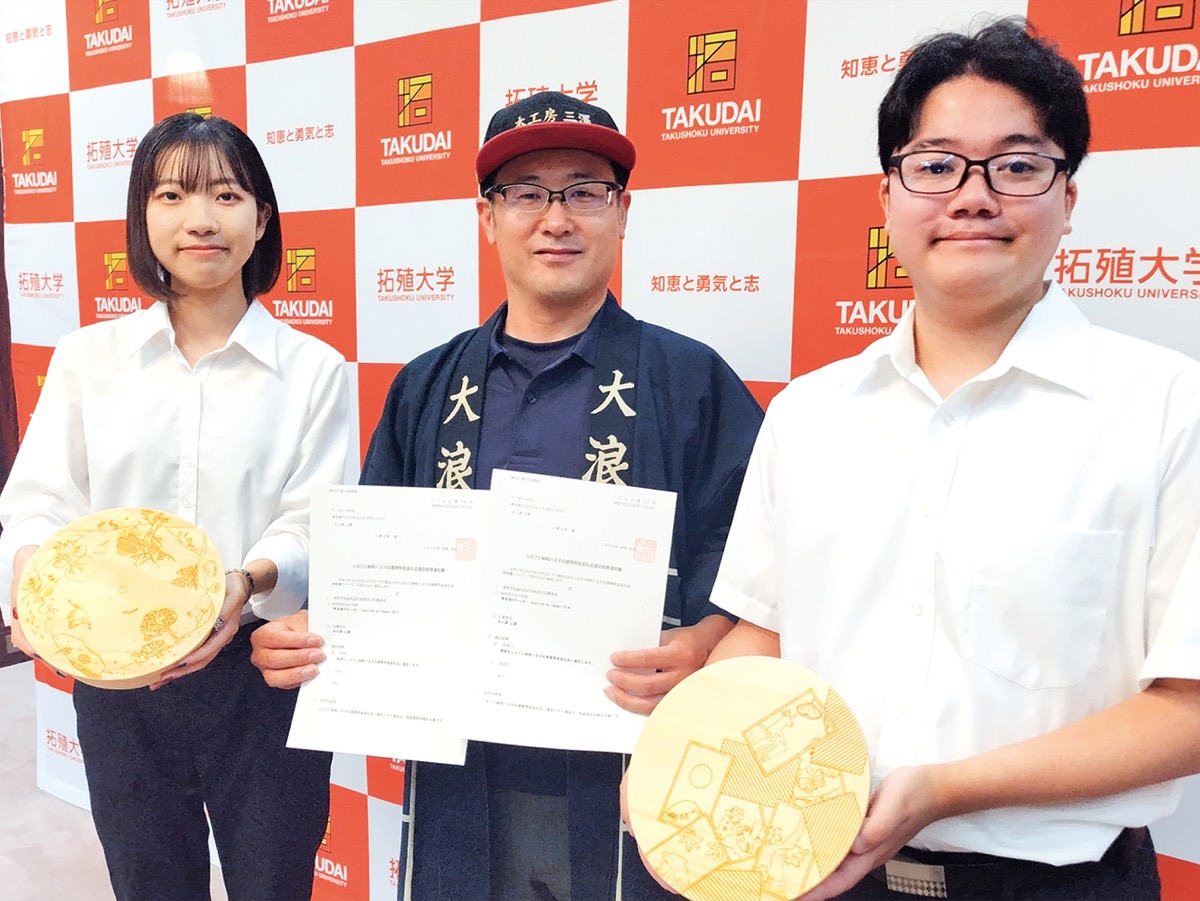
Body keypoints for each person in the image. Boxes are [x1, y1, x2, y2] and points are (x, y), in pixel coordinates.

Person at [695, 18, 1200, 901]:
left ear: (1068, 197)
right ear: (887, 195)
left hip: (1060, 885)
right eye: (935, 166)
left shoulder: (1168, 409)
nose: (972, 196)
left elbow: (1187, 709)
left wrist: (944, 790)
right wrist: (684, 759)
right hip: (820, 875)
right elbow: (763, 634)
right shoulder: (808, 412)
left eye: (1017, 165)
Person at [250, 91, 764, 900]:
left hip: (636, 770)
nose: (556, 219)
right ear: (487, 218)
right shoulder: (427, 387)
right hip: (464, 772)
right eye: (526, 193)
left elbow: (750, 555)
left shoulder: (690, 380)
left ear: (622, 213)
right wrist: (319, 629)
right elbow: (381, 565)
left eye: (584, 191)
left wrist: (705, 640)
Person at [0, 112, 352, 901]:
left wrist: (245, 581)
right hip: (119, 677)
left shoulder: (315, 370)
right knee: (148, 881)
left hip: (260, 675)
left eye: (226, 195)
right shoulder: (87, 359)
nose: (201, 219)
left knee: (274, 882)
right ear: (143, 216)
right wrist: (33, 577)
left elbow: (314, 520)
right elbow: (40, 500)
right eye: (171, 195)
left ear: (262, 218)